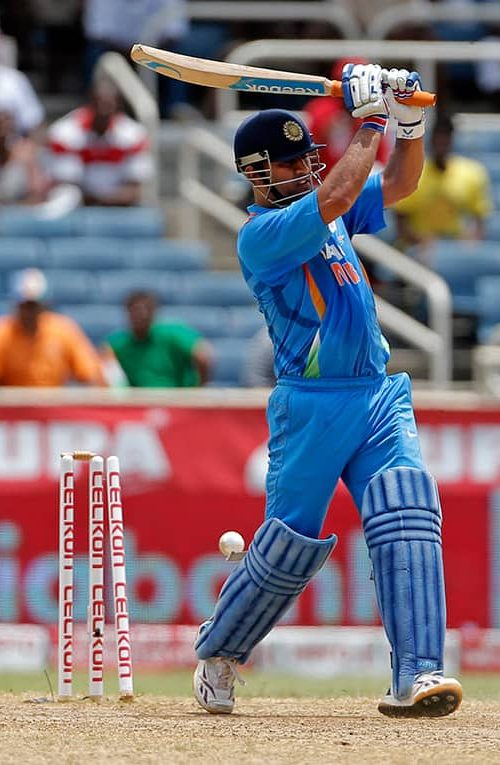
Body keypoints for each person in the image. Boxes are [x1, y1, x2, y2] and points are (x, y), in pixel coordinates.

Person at [192, 65, 463, 719]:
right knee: (290, 545)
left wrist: (406, 120)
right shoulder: (263, 236)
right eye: (296, 163)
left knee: (407, 510)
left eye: (312, 158)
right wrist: (369, 121)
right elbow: (339, 195)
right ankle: (219, 653)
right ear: (261, 174)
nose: (311, 168)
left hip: (375, 393)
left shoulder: (326, 199)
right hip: (311, 404)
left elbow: (400, 181)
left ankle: (418, 672)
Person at [0, 268, 105, 386]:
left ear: (44, 305)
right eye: (26, 305)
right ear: (16, 305)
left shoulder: (64, 330)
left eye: (35, 305)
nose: (30, 312)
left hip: (54, 408)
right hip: (11, 409)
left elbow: (89, 374)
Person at [393, 113, 493, 258]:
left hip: (456, 245)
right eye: (437, 137)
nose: (441, 142)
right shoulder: (413, 172)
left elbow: (480, 218)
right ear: (430, 139)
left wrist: (471, 243)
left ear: (452, 140)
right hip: (418, 247)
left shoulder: (472, 172)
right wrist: (418, 241)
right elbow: (400, 218)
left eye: (445, 137)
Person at [47, 76, 154, 207]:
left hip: (120, 208)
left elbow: (135, 189)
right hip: (77, 207)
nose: (103, 111)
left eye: (108, 105)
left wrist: (105, 200)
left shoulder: (134, 135)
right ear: (90, 104)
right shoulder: (65, 133)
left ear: (118, 106)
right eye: (99, 105)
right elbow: (66, 184)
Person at [102, 290, 212, 387]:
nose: (140, 315)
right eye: (135, 310)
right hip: (138, 404)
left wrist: (198, 388)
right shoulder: (117, 344)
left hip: (176, 402)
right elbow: (103, 368)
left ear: (154, 312)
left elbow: (202, 355)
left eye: (145, 309)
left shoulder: (174, 334)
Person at [303, 58, 392, 175]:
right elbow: (308, 156)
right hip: (320, 181)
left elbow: (380, 160)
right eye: (347, 85)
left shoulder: (374, 111)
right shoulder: (321, 109)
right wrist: (328, 129)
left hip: (358, 183)